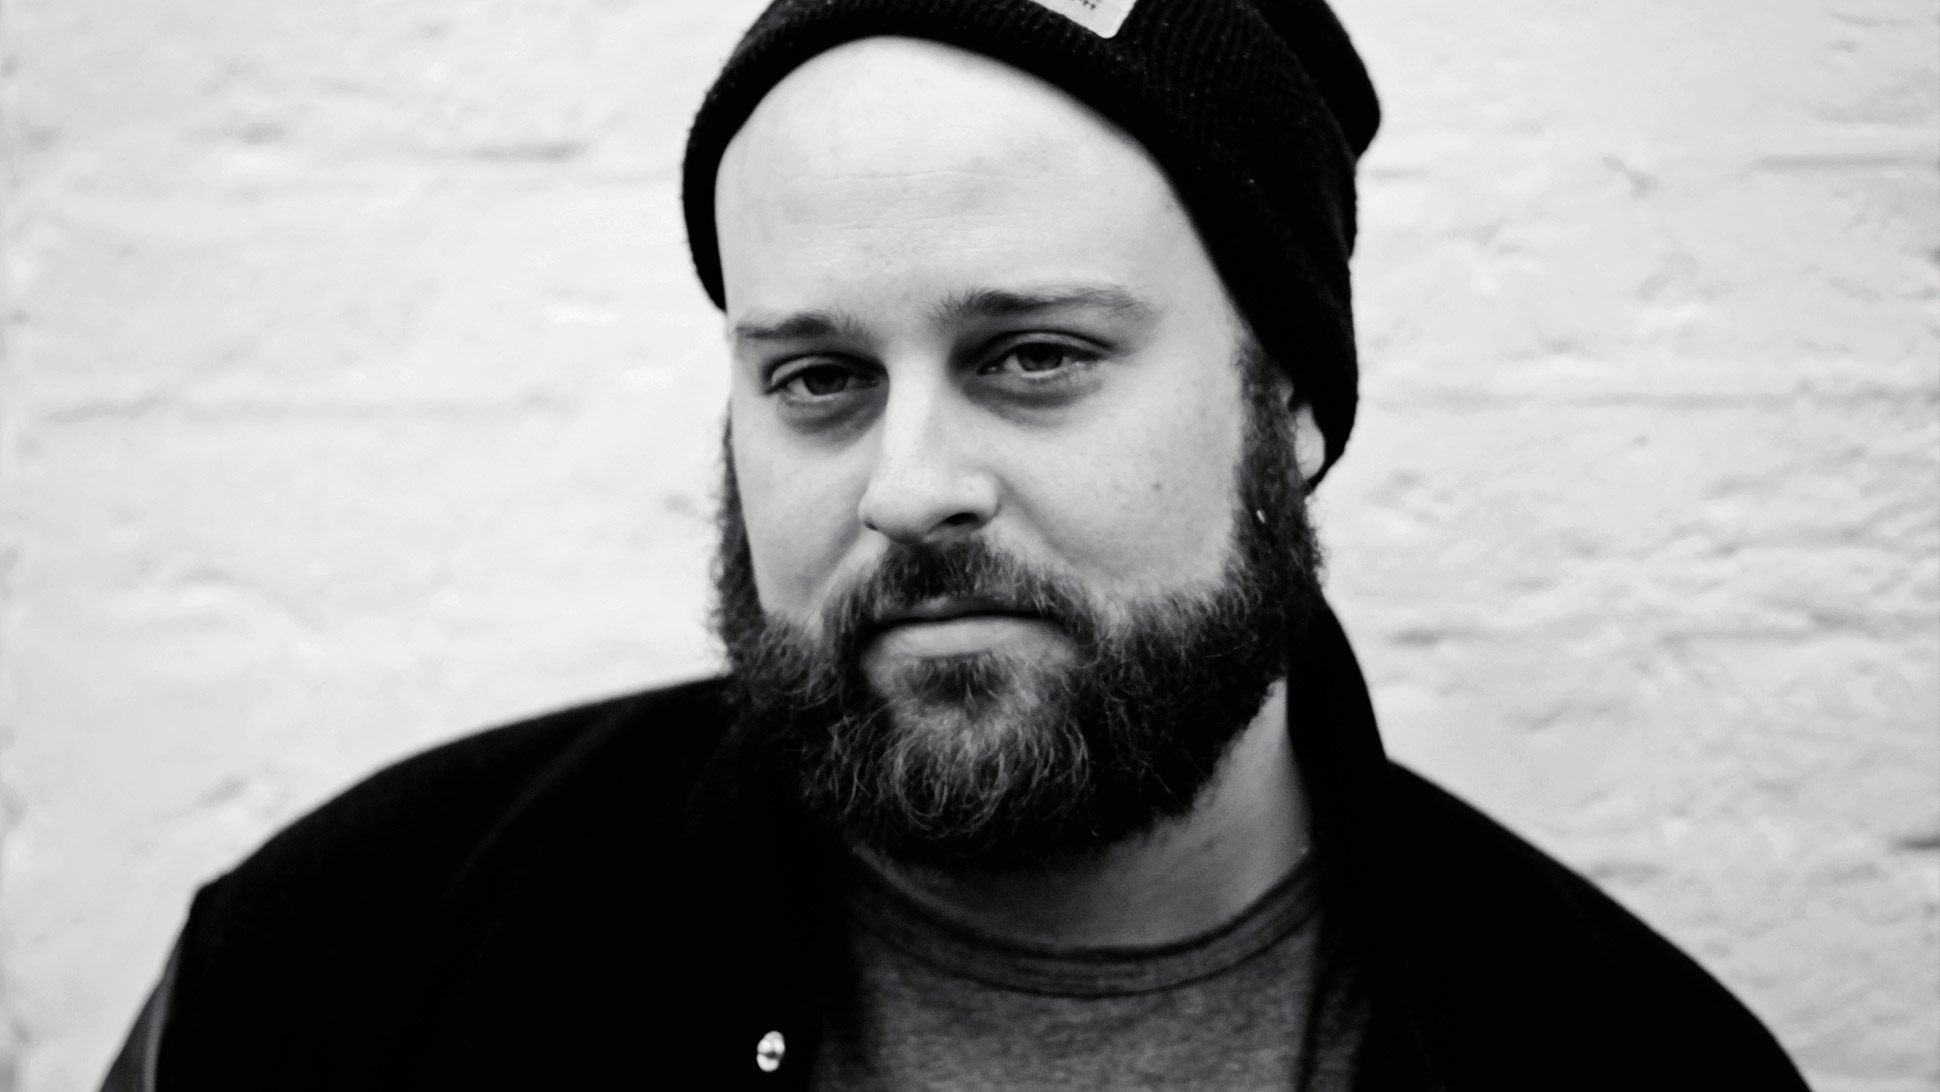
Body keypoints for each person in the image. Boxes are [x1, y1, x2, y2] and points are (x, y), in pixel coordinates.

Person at [103, 1, 1811, 1088]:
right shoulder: (344, 967)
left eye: (1034, 356)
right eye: (820, 379)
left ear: (1287, 403)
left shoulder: (1624, 1060)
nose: (908, 485)